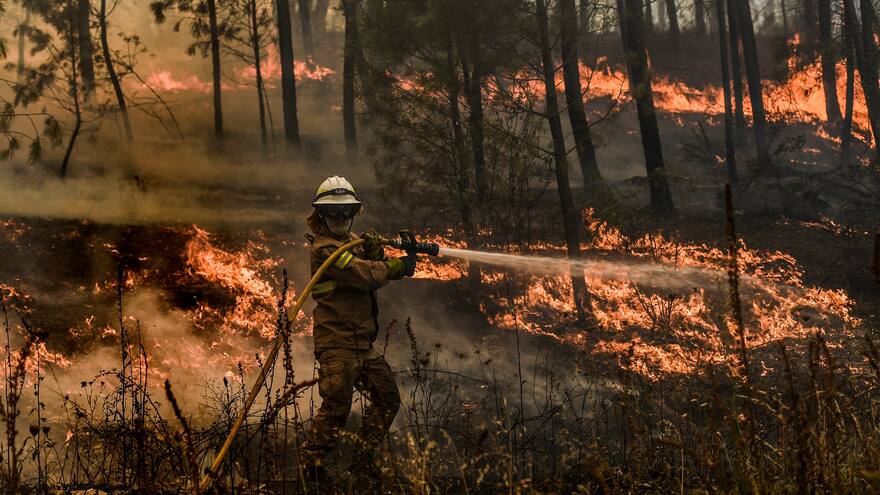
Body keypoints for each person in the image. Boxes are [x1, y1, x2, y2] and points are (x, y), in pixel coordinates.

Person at [300, 175, 415, 482]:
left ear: (354, 212)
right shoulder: (325, 250)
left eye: (345, 211)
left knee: (387, 399)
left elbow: (369, 268)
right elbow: (364, 274)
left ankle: (363, 462)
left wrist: (377, 252)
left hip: (362, 343)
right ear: (321, 214)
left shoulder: (351, 244)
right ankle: (311, 470)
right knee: (337, 406)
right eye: (333, 212)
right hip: (337, 342)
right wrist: (397, 266)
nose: (340, 218)